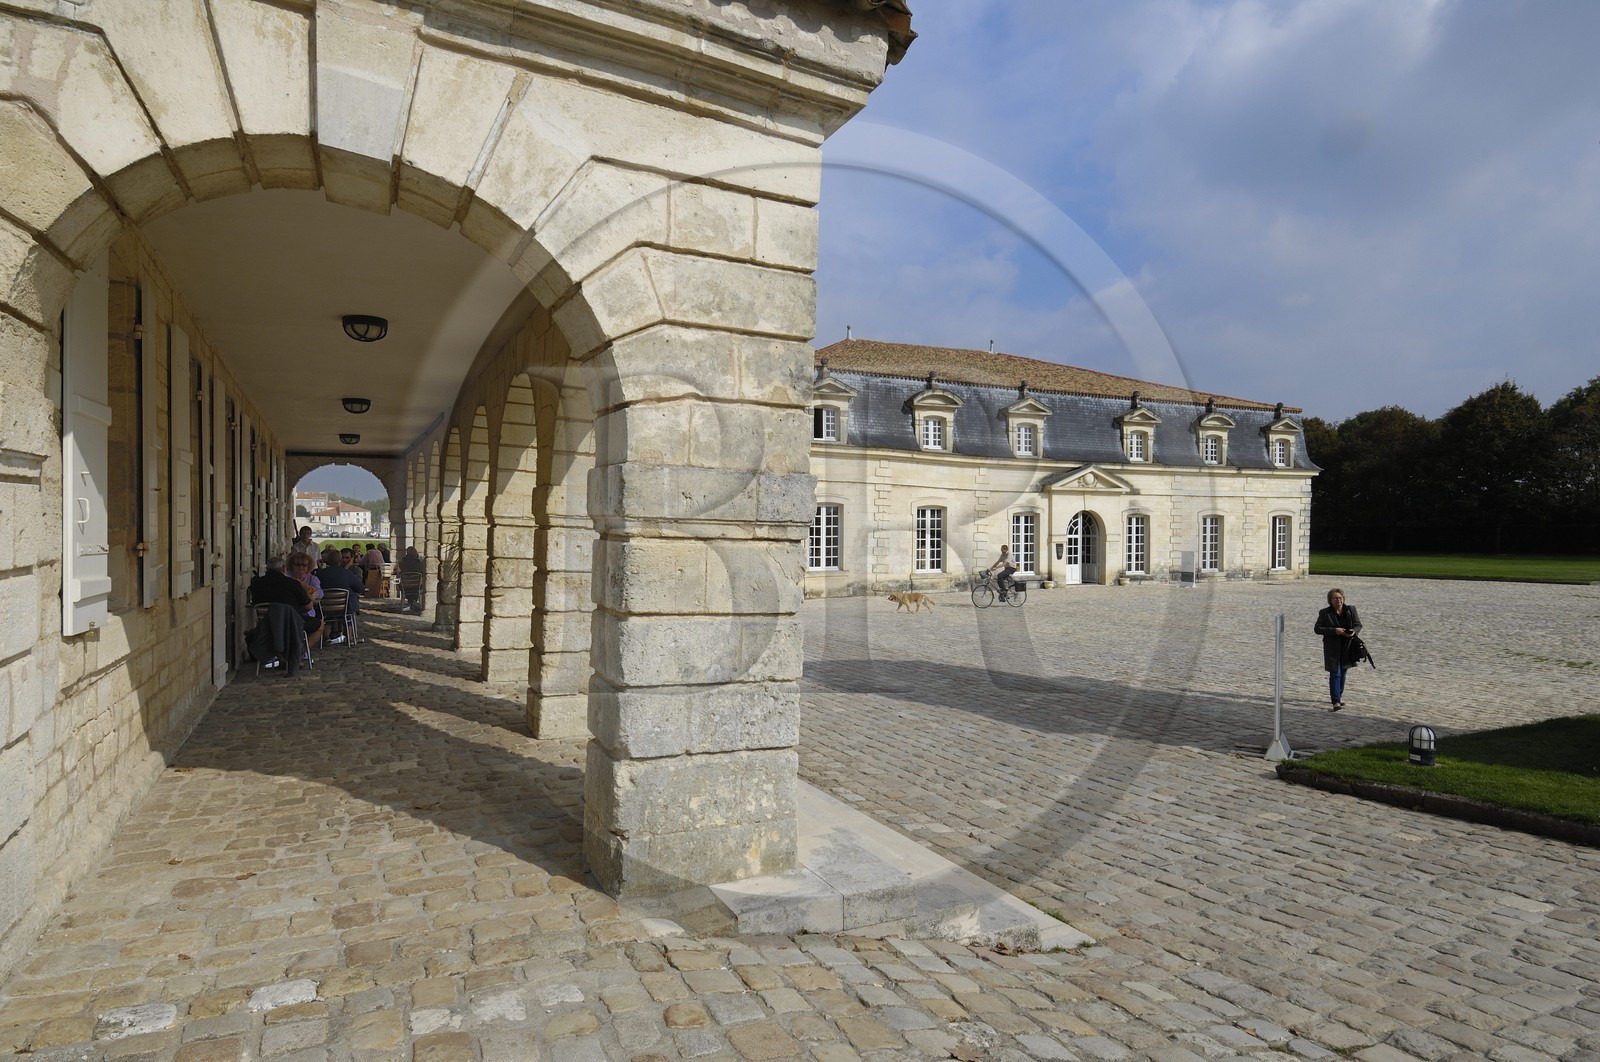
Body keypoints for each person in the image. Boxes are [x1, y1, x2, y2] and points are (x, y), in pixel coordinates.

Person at [248, 556, 312, 672]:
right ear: (283, 568)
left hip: (265, 625)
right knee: (318, 625)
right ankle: (297, 654)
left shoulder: (257, 584)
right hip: (290, 625)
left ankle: (282, 657)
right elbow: (307, 606)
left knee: (277, 626)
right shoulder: (292, 584)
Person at [1315, 587, 1362, 711]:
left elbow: (1358, 624)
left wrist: (1354, 632)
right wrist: (1334, 631)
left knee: (1343, 673)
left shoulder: (1351, 610)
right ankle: (1335, 701)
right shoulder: (1324, 613)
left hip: (1347, 647)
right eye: (1335, 598)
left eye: (1340, 598)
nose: (1338, 600)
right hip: (1332, 648)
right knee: (1335, 673)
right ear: (1330, 600)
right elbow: (1318, 629)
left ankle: (1338, 696)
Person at [316, 548, 363, 643]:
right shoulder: (347, 573)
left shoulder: (320, 573)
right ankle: (350, 636)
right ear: (340, 560)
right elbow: (360, 589)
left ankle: (325, 637)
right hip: (344, 608)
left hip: (325, 608)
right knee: (350, 605)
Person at [286, 553, 326, 652]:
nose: (301, 567)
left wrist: (302, 585)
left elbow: (319, 594)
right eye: (298, 564)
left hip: (306, 614)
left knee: (320, 625)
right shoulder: (286, 577)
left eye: (304, 565)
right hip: (287, 614)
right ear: (292, 566)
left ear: (309, 567)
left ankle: (303, 650)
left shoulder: (312, 579)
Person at [398, 545, 426, 613]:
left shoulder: (402, 562)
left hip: (405, 587)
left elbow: (398, 572)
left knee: (402, 584)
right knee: (418, 584)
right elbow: (422, 573)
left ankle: (411, 601)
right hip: (417, 587)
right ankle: (413, 602)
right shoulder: (419, 563)